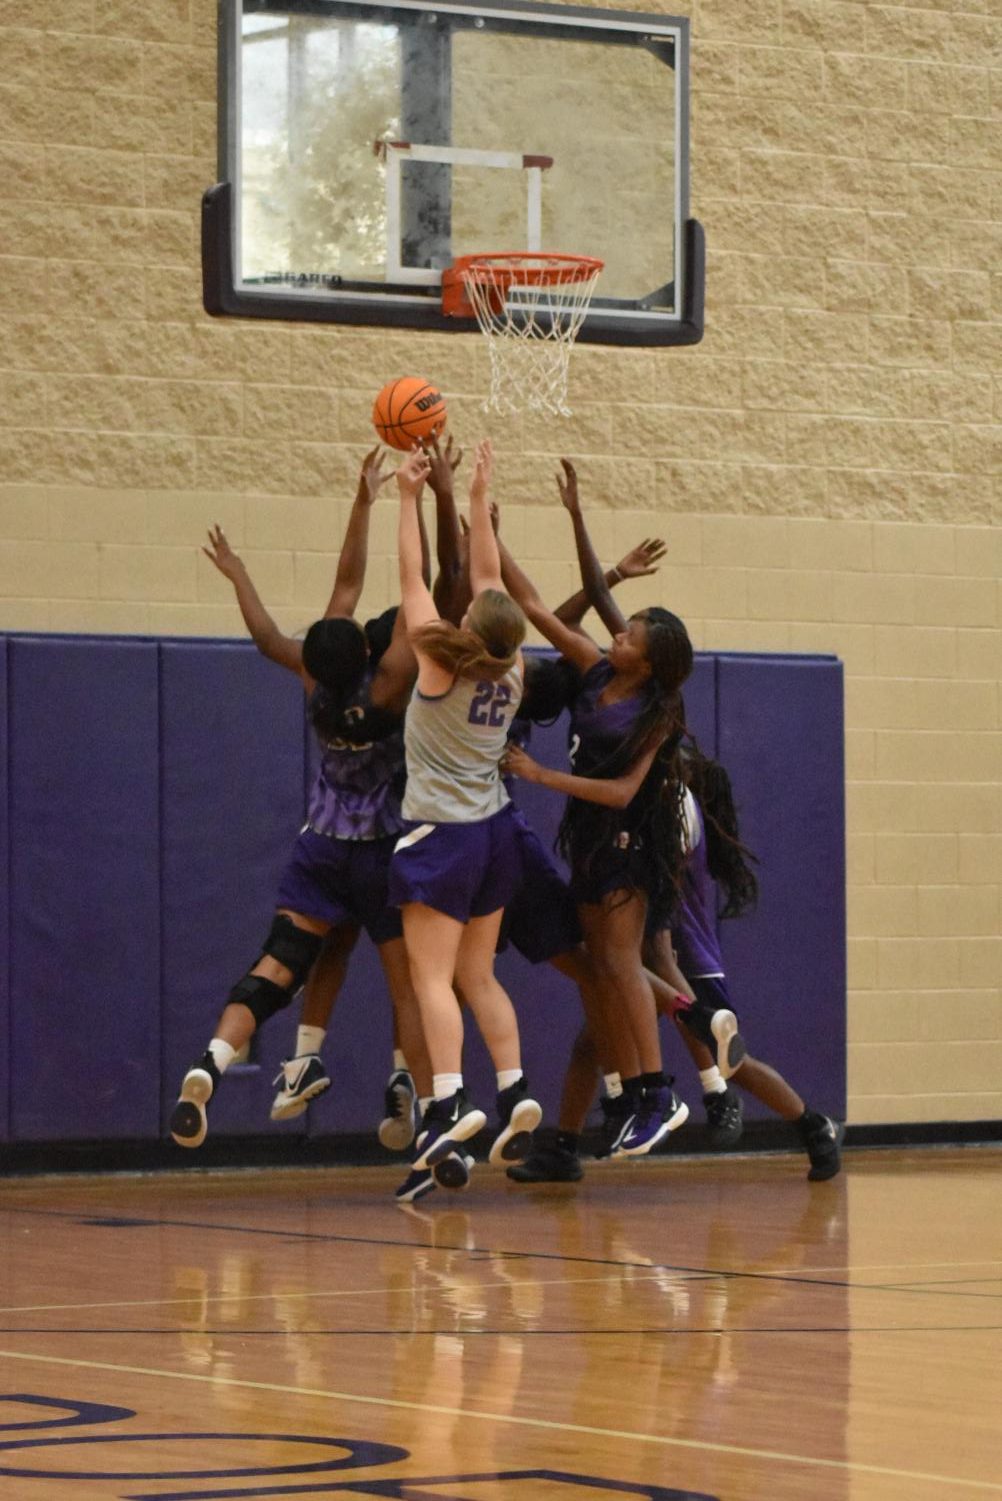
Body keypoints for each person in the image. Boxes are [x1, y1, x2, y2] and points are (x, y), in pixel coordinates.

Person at [168, 449, 433, 1151]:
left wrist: (242, 573)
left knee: (282, 959)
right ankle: (415, 1096)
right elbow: (418, 588)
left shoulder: (313, 683)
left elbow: (282, 624)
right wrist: (416, 499)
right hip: (382, 851)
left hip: (320, 847)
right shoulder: (387, 686)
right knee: (408, 988)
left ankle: (212, 1061)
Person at [499, 458, 701, 1157]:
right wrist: (492, 536)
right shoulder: (595, 669)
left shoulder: (655, 712)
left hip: (625, 843)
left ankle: (657, 1092)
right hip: (586, 840)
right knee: (606, 967)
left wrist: (537, 772)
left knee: (617, 966)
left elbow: (619, 793)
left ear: (647, 659)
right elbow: (534, 605)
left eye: (630, 633)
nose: (618, 633)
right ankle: (641, 1093)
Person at [389, 440, 541, 1190]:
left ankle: (448, 1103)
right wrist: (478, 495)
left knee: (432, 981)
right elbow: (486, 573)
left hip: (440, 837)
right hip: (493, 835)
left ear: (472, 622)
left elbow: (414, 575)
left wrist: (407, 495)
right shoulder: (514, 666)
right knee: (479, 976)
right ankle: (514, 1089)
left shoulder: (439, 662)